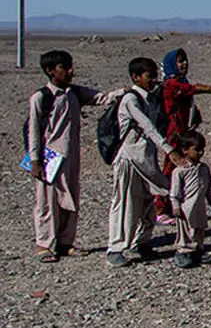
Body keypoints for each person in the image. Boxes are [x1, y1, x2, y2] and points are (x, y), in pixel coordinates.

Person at [25, 50, 125, 262]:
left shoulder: (74, 93)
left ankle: (65, 242)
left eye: (70, 66)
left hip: (71, 157)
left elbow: (101, 98)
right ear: (51, 71)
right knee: (47, 202)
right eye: (64, 68)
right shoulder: (41, 98)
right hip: (49, 157)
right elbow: (33, 130)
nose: (71, 71)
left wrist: (123, 92)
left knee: (70, 199)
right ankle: (44, 244)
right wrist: (35, 161)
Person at [107, 58, 186, 268]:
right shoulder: (130, 100)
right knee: (125, 204)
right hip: (129, 160)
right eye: (148, 76)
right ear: (136, 77)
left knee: (146, 203)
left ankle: (141, 242)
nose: (153, 80)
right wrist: (169, 150)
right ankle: (116, 247)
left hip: (146, 160)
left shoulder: (150, 99)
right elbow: (148, 127)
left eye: (154, 75)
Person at [154, 48, 211, 222]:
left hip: (183, 132)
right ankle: (161, 207)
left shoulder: (181, 82)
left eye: (185, 60)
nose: (184, 64)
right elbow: (191, 90)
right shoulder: (172, 84)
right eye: (180, 61)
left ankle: (176, 204)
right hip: (174, 134)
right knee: (171, 169)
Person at [169, 131, 211, 269]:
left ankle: (198, 250)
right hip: (186, 208)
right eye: (197, 149)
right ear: (185, 150)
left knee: (199, 229)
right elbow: (175, 192)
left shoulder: (203, 168)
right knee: (186, 231)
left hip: (199, 206)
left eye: (202, 149)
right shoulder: (180, 171)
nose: (201, 152)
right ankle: (183, 252)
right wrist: (176, 206)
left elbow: (208, 186)